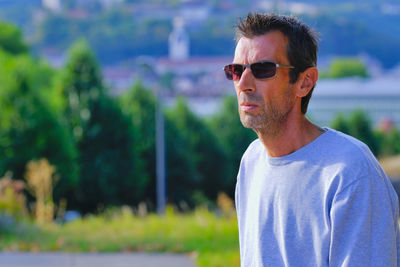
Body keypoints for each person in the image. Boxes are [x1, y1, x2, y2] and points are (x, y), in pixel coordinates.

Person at [223, 13, 400, 266]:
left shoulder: (350, 172)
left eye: (263, 69)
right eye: (236, 70)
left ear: (305, 83)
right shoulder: (252, 161)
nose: (244, 83)